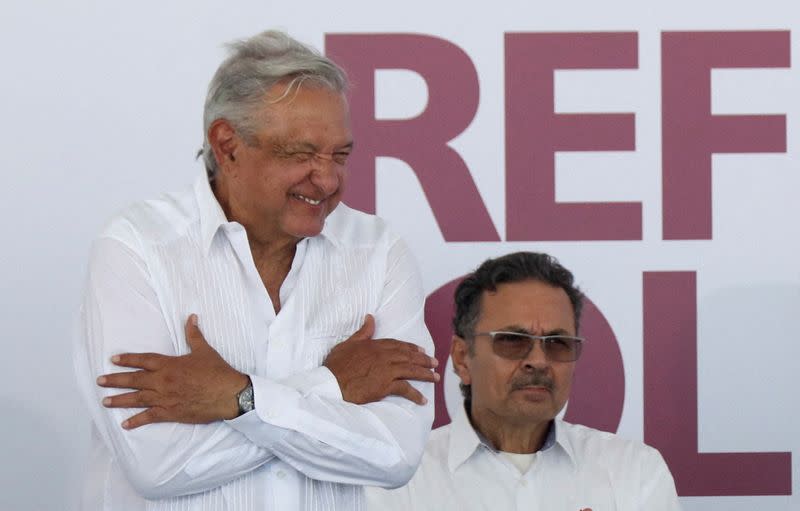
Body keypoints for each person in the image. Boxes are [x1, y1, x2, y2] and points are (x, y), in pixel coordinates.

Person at [73, 30, 439, 511]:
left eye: (340, 156)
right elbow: (157, 465)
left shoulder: (379, 252)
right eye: (301, 154)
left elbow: (395, 455)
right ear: (227, 145)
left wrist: (236, 399)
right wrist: (330, 387)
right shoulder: (137, 248)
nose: (327, 179)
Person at [366, 252, 681, 511]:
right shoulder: (399, 480)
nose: (539, 360)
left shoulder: (634, 472)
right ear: (462, 358)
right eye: (513, 341)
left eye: (557, 343)